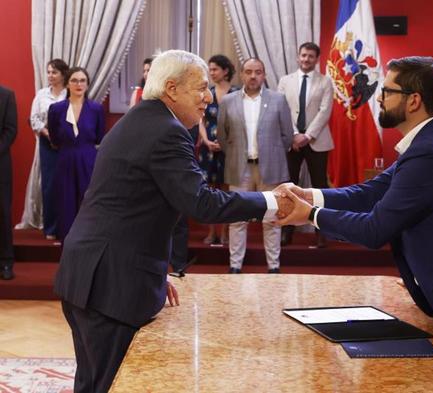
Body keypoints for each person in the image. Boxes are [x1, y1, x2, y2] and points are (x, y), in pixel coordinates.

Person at [276, 56, 433, 393]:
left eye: (387, 91)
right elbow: (370, 192)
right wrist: (310, 194)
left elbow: (375, 229)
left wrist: (310, 215)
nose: (379, 98)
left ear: (413, 100)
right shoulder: (427, 142)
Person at [53, 50, 289, 392]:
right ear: (171, 88)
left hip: (90, 274)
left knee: (92, 382)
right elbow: (202, 203)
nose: (208, 98)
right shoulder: (166, 131)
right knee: (113, 384)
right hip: (110, 285)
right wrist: (273, 202)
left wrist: (148, 268)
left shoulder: (137, 121)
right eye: (201, 88)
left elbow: (130, 206)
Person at [217, 58, 293, 274]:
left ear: (264, 75)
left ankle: (274, 266)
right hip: (239, 169)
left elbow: (287, 136)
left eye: (257, 72)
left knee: (271, 218)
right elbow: (223, 137)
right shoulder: (228, 101)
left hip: (270, 169)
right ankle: (235, 266)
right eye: (248, 72)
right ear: (241, 75)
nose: (253, 76)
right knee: (237, 219)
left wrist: (273, 153)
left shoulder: (278, 100)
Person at [277, 42, 333, 248]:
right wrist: (293, 134)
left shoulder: (325, 81)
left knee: (320, 188)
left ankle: (321, 232)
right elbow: (281, 109)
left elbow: (325, 111)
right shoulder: (285, 81)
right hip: (291, 142)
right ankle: (286, 231)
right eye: (303, 55)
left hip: (317, 141)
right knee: (289, 187)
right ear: (298, 57)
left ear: (317, 59)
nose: (306, 59)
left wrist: (307, 136)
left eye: (311, 56)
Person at [48, 67, 105, 241]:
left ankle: (88, 241)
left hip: (88, 159)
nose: (78, 84)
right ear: (67, 84)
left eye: (82, 81)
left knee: (88, 201)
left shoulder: (96, 109)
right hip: (65, 158)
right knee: (66, 201)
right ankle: (67, 242)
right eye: (74, 80)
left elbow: (99, 136)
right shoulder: (56, 109)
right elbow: (54, 138)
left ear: (87, 85)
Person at [22, 59, 69, 238]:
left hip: (67, 144)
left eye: (54, 72)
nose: (50, 75)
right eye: (48, 72)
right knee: (49, 186)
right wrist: (47, 133)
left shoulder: (70, 93)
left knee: (67, 184)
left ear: (63, 74)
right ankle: (50, 228)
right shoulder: (41, 94)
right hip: (46, 143)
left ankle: (66, 227)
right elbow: (33, 118)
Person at [198, 54, 238, 245]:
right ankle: (211, 232)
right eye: (210, 69)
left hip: (230, 150)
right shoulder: (207, 92)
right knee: (209, 192)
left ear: (225, 71)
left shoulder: (237, 93)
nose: (211, 72)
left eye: (214, 69)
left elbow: (242, 122)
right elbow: (201, 120)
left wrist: (226, 142)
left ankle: (226, 233)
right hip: (209, 150)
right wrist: (205, 140)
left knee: (227, 192)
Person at [0, 85, 17, 280]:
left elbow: (11, 130)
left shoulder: (6, 96)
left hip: (1, 165)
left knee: (3, 213)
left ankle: (5, 263)